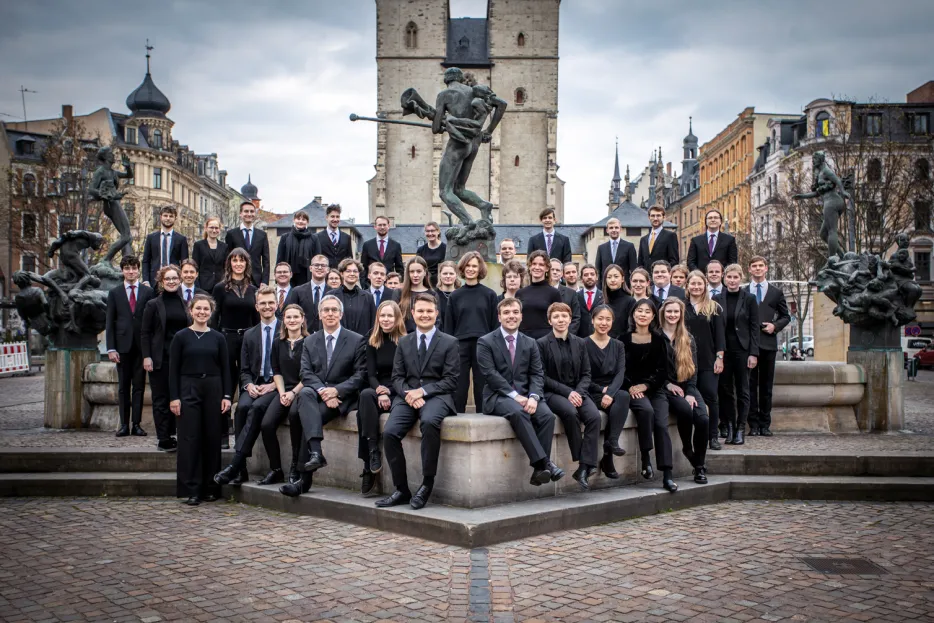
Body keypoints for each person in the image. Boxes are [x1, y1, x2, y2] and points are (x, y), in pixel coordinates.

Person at [376, 293, 460, 510]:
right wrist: (409, 395)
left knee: (430, 423)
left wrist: (422, 392)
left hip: (437, 396)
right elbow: (397, 377)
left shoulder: (450, 342)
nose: (425, 315)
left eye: (429, 311)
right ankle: (401, 489)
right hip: (407, 397)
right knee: (390, 432)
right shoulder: (404, 342)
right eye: (420, 311)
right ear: (412, 313)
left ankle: (426, 484)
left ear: (437, 313)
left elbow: (451, 380)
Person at [280, 295, 367, 497]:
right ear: (319, 314)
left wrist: (336, 391)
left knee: (307, 417)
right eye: (326, 310)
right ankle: (316, 454)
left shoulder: (356, 340)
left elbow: (360, 375)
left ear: (341, 314)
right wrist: (323, 391)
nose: (330, 314)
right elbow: (306, 373)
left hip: (342, 397)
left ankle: (304, 480)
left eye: (334, 310)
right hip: (317, 394)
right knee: (306, 393)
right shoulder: (310, 341)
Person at [477, 298, 563, 486]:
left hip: (527, 395)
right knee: (519, 412)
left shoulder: (530, 343)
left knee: (547, 416)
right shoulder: (485, 342)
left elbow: (537, 373)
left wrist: (534, 397)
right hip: (498, 396)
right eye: (506, 313)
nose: (511, 316)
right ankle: (545, 464)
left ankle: (539, 471)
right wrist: (515, 396)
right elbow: (490, 375)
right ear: (499, 317)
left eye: (515, 312)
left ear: (521, 316)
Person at [230, 303, 308, 487]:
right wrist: (282, 393)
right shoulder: (278, 343)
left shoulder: (310, 342)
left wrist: (292, 393)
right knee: (266, 424)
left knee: (295, 417)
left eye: (296, 317)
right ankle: (276, 469)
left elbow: (310, 374)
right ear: (284, 320)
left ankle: (295, 467)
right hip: (282, 390)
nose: (292, 320)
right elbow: (277, 371)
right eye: (288, 317)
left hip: (302, 390)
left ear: (303, 319)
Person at [169, 294, 231, 506]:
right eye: (198, 308)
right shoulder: (181, 337)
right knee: (190, 439)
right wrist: (174, 397)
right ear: (191, 311)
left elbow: (226, 369)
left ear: (211, 312)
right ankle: (192, 489)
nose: (202, 312)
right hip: (188, 387)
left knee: (212, 438)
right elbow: (173, 370)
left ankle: (210, 488)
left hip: (213, 388)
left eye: (206, 309)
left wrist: (227, 395)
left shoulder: (218, 338)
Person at [215, 285, 279, 487]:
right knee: (241, 408)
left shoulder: (286, 329)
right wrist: (249, 384)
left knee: (257, 408)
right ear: (256, 306)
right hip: (255, 384)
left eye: (271, 303)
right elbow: (243, 369)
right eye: (263, 303)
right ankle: (241, 470)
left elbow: (291, 367)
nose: (267, 307)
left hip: (276, 386)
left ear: (277, 304)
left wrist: (273, 385)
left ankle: (235, 464)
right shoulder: (249, 334)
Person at [537, 302, 600, 491]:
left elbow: (587, 374)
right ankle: (583, 460)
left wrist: (578, 392)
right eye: (556, 316)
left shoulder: (580, 343)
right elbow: (542, 376)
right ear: (549, 320)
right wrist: (568, 392)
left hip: (578, 391)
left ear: (570, 319)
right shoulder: (541, 344)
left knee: (594, 417)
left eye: (564, 316)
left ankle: (583, 468)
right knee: (571, 413)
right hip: (553, 393)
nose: (561, 320)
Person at [621, 299, 677, 492]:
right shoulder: (623, 339)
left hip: (654, 389)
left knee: (661, 424)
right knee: (646, 411)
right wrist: (631, 387)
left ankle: (667, 475)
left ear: (653, 316)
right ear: (633, 314)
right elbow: (620, 369)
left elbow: (663, 371)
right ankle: (645, 458)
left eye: (647, 311)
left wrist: (646, 385)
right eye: (639, 310)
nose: (643, 314)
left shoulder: (660, 340)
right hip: (632, 389)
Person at [211, 248, 260, 449]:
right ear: (229, 263)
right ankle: (223, 434)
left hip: (247, 341)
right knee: (226, 387)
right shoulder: (220, 288)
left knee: (247, 385)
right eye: (235, 260)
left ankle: (243, 435)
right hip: (227, 339)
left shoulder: (254, 289)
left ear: (247, 264)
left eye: (242, 260)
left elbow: (256, 321)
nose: (238, 264)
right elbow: (215, 318)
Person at [358, 300, 406, 494]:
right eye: (382, 315)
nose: (386, 319)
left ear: (397, 318)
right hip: (379, 390)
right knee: (365, 396)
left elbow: (405, 375)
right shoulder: (373, 340)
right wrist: (379, 390)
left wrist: (388, 392)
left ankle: (367, 467)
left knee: (361, 414)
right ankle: (372, 451)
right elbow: (371, 375)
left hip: (399, 390)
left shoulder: (405, 341)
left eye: (390, 316)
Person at [659, 298, 709, 484]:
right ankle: (688, 448)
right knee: (685, 410)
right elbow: (652, 369)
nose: (672, 315)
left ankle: (699, 463)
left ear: (681, 315)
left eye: (676, 312)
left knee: (703, 419)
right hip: (666, 387)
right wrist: (667, 384)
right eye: (669, 311)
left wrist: (690, 393)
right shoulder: (655, 337)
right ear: (663, 313)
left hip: (687, 385)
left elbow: (693, 370)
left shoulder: (688, 338)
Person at [105, 255, 155, 438]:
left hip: (141, 346)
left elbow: (152, 321)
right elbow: (110, 322)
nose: (131, 271)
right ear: (122, 271)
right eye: (127, 268)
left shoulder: (148, 292)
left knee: (139, 387)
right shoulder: (115, 293)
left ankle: (137, 424)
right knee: (123, 387)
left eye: (134, 268)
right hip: (122, 346)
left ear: (138, 270)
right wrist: (111, 348)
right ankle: (124, 424)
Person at [445, 251, 499, 412]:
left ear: (480, 268)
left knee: (482, 384)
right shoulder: (455, 296)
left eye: (474, 266)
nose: (471, 269)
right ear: (462, 268)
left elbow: (495, 325)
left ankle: (484, 417)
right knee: (460, 385)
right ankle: (456, 417)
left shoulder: (490, 295)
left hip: (483, 345)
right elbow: (449, 326)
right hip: (459, 345)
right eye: (468, 265)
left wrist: (493, 348)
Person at [141, 265, 187, 451]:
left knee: (179, 396)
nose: (171, 281)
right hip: (160, 358)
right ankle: (163, 438)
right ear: (161, 281)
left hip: (182, 359)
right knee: (161, 399)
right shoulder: (153, 304)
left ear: (180, 280)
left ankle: (176, 433)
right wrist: (147, 356)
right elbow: (145, 332)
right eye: (167, 279)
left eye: (174, 278)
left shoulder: (186, 303)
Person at [747, 256, 790, 437]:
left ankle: (765, 424)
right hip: (748, 345)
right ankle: (753, 424)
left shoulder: (775, 292)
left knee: (766, 387)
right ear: (749, 269)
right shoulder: (744, 291)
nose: (757, 268)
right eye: (754, 266)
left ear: (766, 268)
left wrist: (775, 326)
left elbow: (785, 316)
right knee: (749, 387)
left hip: (768, 344)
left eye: (760, 266)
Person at [585, 304, 629, 479]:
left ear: (612, 322)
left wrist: (610, 393)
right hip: (591, 391)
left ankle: (612, 442)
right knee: (619, 402)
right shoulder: (583, 344)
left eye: (608, 319)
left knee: (623, 396)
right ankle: (608, 456)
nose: (604, 323)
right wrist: (601, 390)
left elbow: (620, 373)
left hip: (612, 391)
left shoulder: (618, 345)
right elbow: (582, 376)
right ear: (592, 320)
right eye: (600, 319)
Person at [684, 270, 726, 450]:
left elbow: (720, 336)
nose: (696, 287)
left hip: (708, 360)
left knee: (711, 397)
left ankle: (713, 436)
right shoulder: (681, 307)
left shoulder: (714, 307)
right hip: (686, 360)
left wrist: (719, 357)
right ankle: (694, 437)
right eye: (692, 284)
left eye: (699, 283)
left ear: (705, 285)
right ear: (687, 286)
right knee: (690, 398)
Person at [719, 264, 759, 445]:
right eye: (729, 277)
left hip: (743, 350)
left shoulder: (749, 299)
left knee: (743, 390)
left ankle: (741, 428)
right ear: (724, 278)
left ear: (741, 278)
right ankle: (730, 426)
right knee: (725, 391)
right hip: (724, 351)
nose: (732, 280)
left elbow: (754, 327)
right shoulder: (717, 298)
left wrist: (753, 353)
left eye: (735, 277)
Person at [516, 250, 562, 339]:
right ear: (529, 266)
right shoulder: (520, 293)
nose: (537, 267)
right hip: (524, 340)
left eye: (541, 265)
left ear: (547, 268)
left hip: (546, 340)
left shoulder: (554, 293)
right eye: (534, 264)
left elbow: (558, 319)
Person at [141, 206, 189, 286]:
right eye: (165, 215)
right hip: (154, 280)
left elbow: (184, 263)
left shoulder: (181, 239)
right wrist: (146, 280)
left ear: (175, 218)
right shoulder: (151, 238)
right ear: (161, 217)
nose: (168, 218)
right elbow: (146, 261)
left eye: (171, 216)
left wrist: (182, 280)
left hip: (174, 281)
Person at [225, 200, 270, 286]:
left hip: (257, 280)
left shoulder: (262, 235)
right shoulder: (231, 234)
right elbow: (227, 258)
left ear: (255, 214)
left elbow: (266, 261)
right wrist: (229, 278)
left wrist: (265, 281)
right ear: (240, 214)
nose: (249, 214)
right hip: (237, 279)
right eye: (246, 211)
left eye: (252, 211)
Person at [327, 258, 375, 336]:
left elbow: (373, 324)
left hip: (362, 341)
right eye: (348, 271)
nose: (352, 274)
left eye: (355, 271)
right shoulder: (331, 296)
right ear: (341, 273)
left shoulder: (368, 297)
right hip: (338, 340)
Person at [284, 254, 330, 333]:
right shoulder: (297, 291)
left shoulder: (334, 293)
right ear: (310, 268)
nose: (319, 268)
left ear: (328, 269)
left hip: (326, 335)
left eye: (323, 265)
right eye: (316, 265)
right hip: (304, 335)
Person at [276, 210, 319, 287]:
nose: (300, 221)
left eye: (303, 219)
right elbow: (280, 258)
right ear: (294, 220)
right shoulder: (285, 237)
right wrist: (277, 277)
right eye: (298, 219)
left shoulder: (314, 238)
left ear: (307, 222)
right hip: (289, 277)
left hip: (307, 276)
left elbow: (317, 258)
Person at [360, 215, 404, 286]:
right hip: (371, 285)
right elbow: (363, 267)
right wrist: (364, 285)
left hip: (389, 285)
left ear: (388, 226)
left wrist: (398, 284)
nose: (382, 227)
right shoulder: (367, 245)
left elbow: (399, 268)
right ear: (375, 227)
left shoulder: (396, 245)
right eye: (380, 225)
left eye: (384, 225)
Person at [399, 256, 438, 333]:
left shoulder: (433, 294)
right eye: (412, 271)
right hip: (404, 336)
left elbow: (437, 321)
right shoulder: (399, 293)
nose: (415, 275)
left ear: (425, 272)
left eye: (419, 271)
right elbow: (396, 318)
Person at [595, 217, 637, 287]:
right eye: (611, 228)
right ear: (607, 230)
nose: (614, 230)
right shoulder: (601, 248)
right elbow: (598, 270)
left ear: (620, 229)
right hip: (606, 287)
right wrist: (599, 287)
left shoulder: (629, 247)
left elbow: (633, 269)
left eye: (616, 227)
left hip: (624, 287)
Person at [191, 217, 227, 293]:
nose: (214, 230)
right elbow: (195, 266)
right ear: (206, 228)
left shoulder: (224, 246)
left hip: (220, 286)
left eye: (216, 228)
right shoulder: (198, 245)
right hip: (203, 286)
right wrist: (197, 285)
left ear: (219, 230)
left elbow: (225, 267)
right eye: (211, 227)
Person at [602, 265, 635, 339]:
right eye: (609, 277)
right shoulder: (601, 300)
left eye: (616, 276)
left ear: (622, 279)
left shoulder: (630, 301)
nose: (612, 280)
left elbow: (631, 327)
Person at [549, 258, 581, 335]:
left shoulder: (571, 293)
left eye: (558, 270)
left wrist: (566, 335)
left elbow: (576, 318)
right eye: (552, 269)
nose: (555, 272)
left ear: (561, 274)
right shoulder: (540, 291)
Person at [316, 204, 352, 268]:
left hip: (341, 273)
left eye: (337, 217)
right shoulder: (317, 237)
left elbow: (349, 259)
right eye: (332, 216)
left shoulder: (347, 237)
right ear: (327, 218)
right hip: (325, 273)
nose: (335, 219)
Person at [577, 264, 605, 337]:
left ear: (597, 277)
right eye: (586, 275)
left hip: (599, 337)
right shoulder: (575, 296)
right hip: (580, 338)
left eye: (592, 274)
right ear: (581, 279)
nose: (589, 277)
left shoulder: (604, 296)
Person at [435, 260, 460, 330]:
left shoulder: (461, 295)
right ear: (440, 275)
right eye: (445, 273)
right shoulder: (434, 295)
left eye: (451, 273)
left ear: (456, 275)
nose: (448, 276)